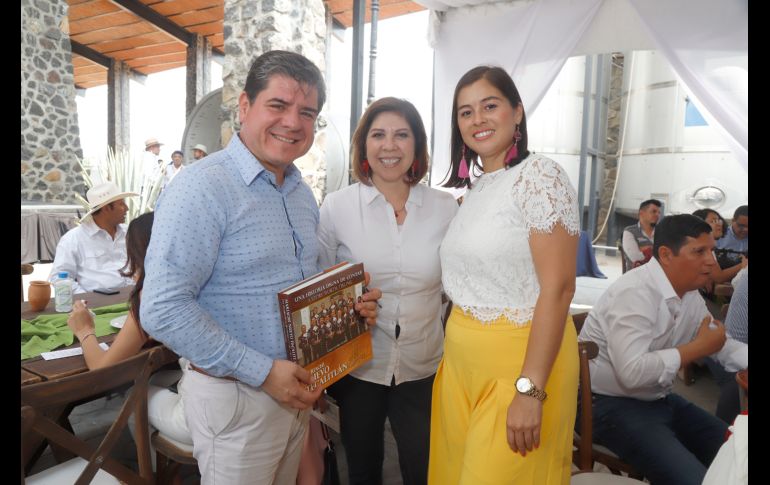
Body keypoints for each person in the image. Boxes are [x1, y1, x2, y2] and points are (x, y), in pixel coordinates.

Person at [139, 50, 381, 484]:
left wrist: (350, 304)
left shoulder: (300, 193)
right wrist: (264, 373)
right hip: (237, 400)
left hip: (292, 393)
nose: (293, 122)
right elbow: (162, 309)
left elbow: (299, 289)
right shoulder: (202, 187)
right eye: (278, 105)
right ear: (245, 107)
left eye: (306, 112)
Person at [430, 66, 580, 484]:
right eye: (465, 112)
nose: (477, 119)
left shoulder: (540, 178)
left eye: (489, 106)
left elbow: (559, 287)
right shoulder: (478, 189)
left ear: (517, 112)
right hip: (462, 365)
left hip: (519, 366)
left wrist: (530, 391)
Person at [317, 97, 458, 485]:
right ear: (364, 145)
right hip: (361, 366)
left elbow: (458, 285)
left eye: (401, 135)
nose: (389, 146)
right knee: (362, 467)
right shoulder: (337, 208)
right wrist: (348, 302)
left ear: (417, 145)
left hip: (425, 364)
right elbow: (315, 285)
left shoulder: (445, 208)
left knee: (424, 466)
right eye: (378, 135)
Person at [578, 214, 748, 485]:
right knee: (697, 480)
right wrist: (696, 348)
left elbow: (718, 344)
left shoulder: (689, 294)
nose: (711, 261)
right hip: (608, 405)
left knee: (740, 456)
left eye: (712, 251)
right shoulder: (634, 292)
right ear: (667, 255)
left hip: (658, 399)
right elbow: (631, 373)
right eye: (699, 251)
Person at [66, 211, 192, 448]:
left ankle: (149, 477)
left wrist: (84, 331)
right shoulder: (200, 277)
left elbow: (102, 370)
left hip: (204, 416)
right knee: (158, 374)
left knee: (133, 395)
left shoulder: (153, 294)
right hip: (248, 399)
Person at [49, 182, 138, 294]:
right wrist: (85, 298)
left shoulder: (130, 233)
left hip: (136, 297)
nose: (127, 208)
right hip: (96, 303)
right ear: (106, 208)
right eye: (121, 204)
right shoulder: (73, 239)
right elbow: (59, 278)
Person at [692, 208, 747, 288]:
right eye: (713, 221)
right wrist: (744, 265)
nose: (719, 224)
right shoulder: (698, 248)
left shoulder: (708, 248)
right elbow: (719, 277)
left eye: (719, 220)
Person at [622, 199, 662, 269]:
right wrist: (657, 251)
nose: (657, 215)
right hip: (636, 276)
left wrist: (646, 251)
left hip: (657, 276)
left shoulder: (662, 232)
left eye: (659, 213)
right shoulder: (629, 231)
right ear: (641, 213)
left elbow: (668, 258)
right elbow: (636, 258)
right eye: (654, 211)